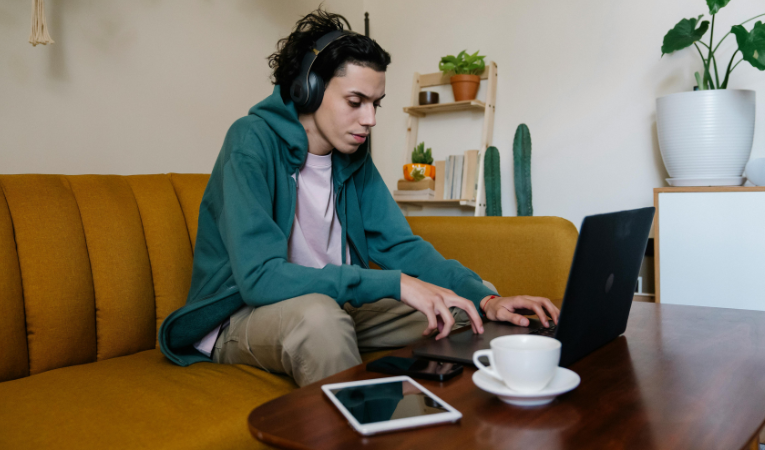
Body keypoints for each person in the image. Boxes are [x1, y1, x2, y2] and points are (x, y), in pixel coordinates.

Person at [158, 8, 560, 387]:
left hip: (335, 303)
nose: (370, 119)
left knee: (460, 308)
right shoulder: (250, 142)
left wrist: (487, 298)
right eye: (355, 102)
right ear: (307, 89)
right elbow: (260, 279)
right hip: (245, 316)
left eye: (375, 104)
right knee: (320, 320)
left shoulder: (352, 155)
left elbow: (401, 246)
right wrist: (394, 283)